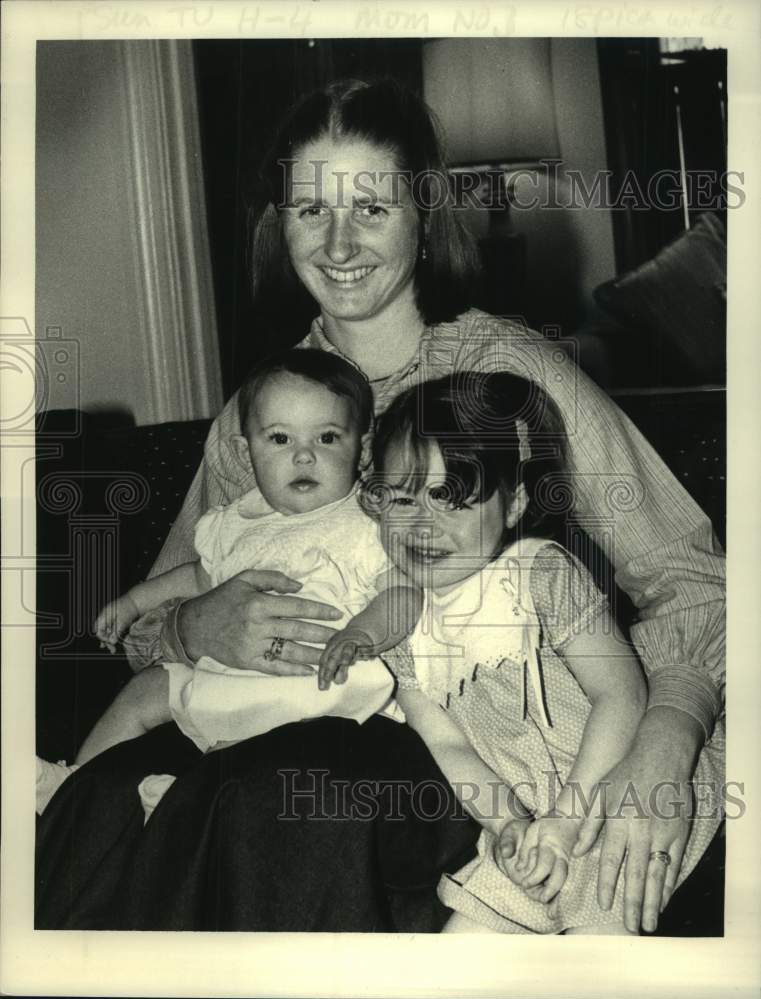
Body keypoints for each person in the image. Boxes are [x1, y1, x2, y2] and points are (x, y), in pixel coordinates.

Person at [35, 77, 725, 934]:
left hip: (451, 749)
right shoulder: (263, 410)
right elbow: (145, 629)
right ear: (278, 225)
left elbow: (693, 581)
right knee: (100, 799)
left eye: (370, 207)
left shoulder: (511, 374)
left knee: (282, 798)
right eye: (309, 210)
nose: (338, 243)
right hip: (256, 719)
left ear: (423, 217)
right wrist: (190, 626)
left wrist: (663, 744)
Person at [339, 370, 723, 935]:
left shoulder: (538, 574)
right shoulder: (400, 631)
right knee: (447, 960)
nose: (422, 524)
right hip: (533, 829)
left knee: (600, 948)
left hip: (613, 797)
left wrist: (567, 819)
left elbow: (620, 694)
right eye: (401, 496)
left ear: (514, 504)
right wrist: (507, 824)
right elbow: (447, 743)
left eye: (451, 499)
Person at [36, 350, 422, 812]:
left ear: (363, 447)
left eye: (327, 437)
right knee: (145, 691)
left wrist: (362, 634)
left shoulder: (365, 520)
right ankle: (73, 785)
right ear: (245, 452)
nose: (303, 455)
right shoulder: (232, 523)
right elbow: (196, 577)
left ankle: (183, 801)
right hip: (228, 674)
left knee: (269, 752)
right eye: (279, 438)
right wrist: (134, 602)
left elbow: (403, 593)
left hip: (314, 681)